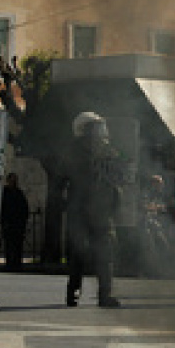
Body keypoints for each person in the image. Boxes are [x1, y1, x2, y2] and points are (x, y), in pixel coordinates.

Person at [61, 113, 122, 308]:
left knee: (105, 253)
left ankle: (104, 294)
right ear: (84, 129)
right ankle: (74, 292)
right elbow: (62, 179)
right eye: (95, 127)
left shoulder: (107, 151)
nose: (100, 132)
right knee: (78, 251)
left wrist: (114, 202)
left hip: (101, 210)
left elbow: (115, 179)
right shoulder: (73, 151)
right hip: (80, 208)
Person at [0, 173, 29, 272]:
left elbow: (24, 208)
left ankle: (17, 263)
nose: (13, 182)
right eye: (11, 180)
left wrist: (23, 221)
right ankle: (9, 263)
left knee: (18, 244)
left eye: (14, 180)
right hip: (8, 223)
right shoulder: (4, 193)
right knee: (9, 244)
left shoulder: (19, 193)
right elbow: (2, 208)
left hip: (18, 224)